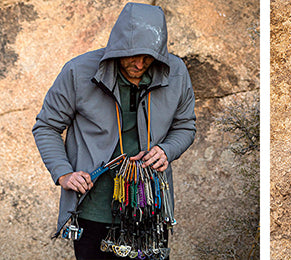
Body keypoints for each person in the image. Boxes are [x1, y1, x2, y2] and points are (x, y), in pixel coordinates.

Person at [32, 3, 196, 259]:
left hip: (148, 209)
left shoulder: (176, 73)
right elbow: (47, 126)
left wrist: (168, 150)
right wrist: (63, 173)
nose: (140, 64)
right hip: (92, 208)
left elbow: (185, 125)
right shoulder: (78, 71)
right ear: (118, 45)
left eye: (148, 57)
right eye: (133, 55)